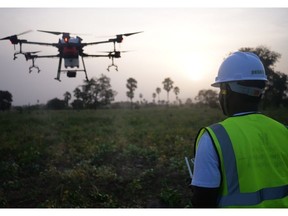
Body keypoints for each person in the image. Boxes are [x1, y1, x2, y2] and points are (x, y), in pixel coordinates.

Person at [191, 51, 288, 208]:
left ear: (226, 92)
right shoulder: (283, 131)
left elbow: (203, 202)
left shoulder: (213, 138)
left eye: (221, 90)